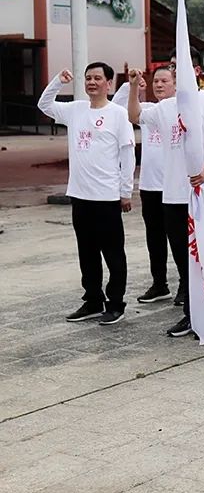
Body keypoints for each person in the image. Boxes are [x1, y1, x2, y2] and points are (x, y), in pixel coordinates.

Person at [127, 65, 204, 337]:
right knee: (184, 258)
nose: (161, 84)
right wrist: (133, 86)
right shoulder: (165, 107)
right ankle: (192, 312)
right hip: (172, 195)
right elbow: (135, 116)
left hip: (202, 195)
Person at [39, 65, 135, 325]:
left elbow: (127, 154)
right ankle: (93, 300)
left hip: (107, 196)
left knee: (113, 253)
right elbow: (44, 105)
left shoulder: (117, 114)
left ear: (108, 83)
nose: (92, 82)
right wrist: (58, 81)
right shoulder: (76, 110)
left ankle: (116, 303)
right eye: (88, 78)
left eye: (97, 78)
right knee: (87, 252)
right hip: (80, 195)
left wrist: (125, 191)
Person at [111, 73, 174, 305]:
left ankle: (187, 286)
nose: (159, 85)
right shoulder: (147, 110)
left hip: (175, 187)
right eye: (156, 81)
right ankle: (160, 284)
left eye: (164, 81)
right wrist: (132, 86)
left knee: (179, 240)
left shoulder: (182, 110)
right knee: (155, 239)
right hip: (150, 186)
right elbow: (118, 108)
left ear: (175, 84)